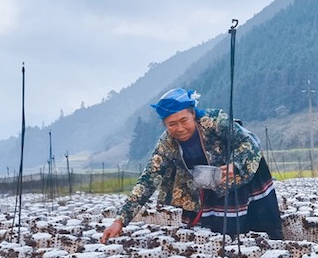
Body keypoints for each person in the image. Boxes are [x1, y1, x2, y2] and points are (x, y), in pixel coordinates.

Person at [101, 88, 283, 243]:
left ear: (193, 114)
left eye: (184, 121)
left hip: (237, 176)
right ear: (165, 124)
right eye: (172, 124)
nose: (179, 128)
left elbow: (249, 142)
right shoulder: (167, 144)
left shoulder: (214, 121)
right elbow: (148, 179)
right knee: (213, 236)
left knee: (251, 228)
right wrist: (120, 221)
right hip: (205, 183)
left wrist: (235, 166)